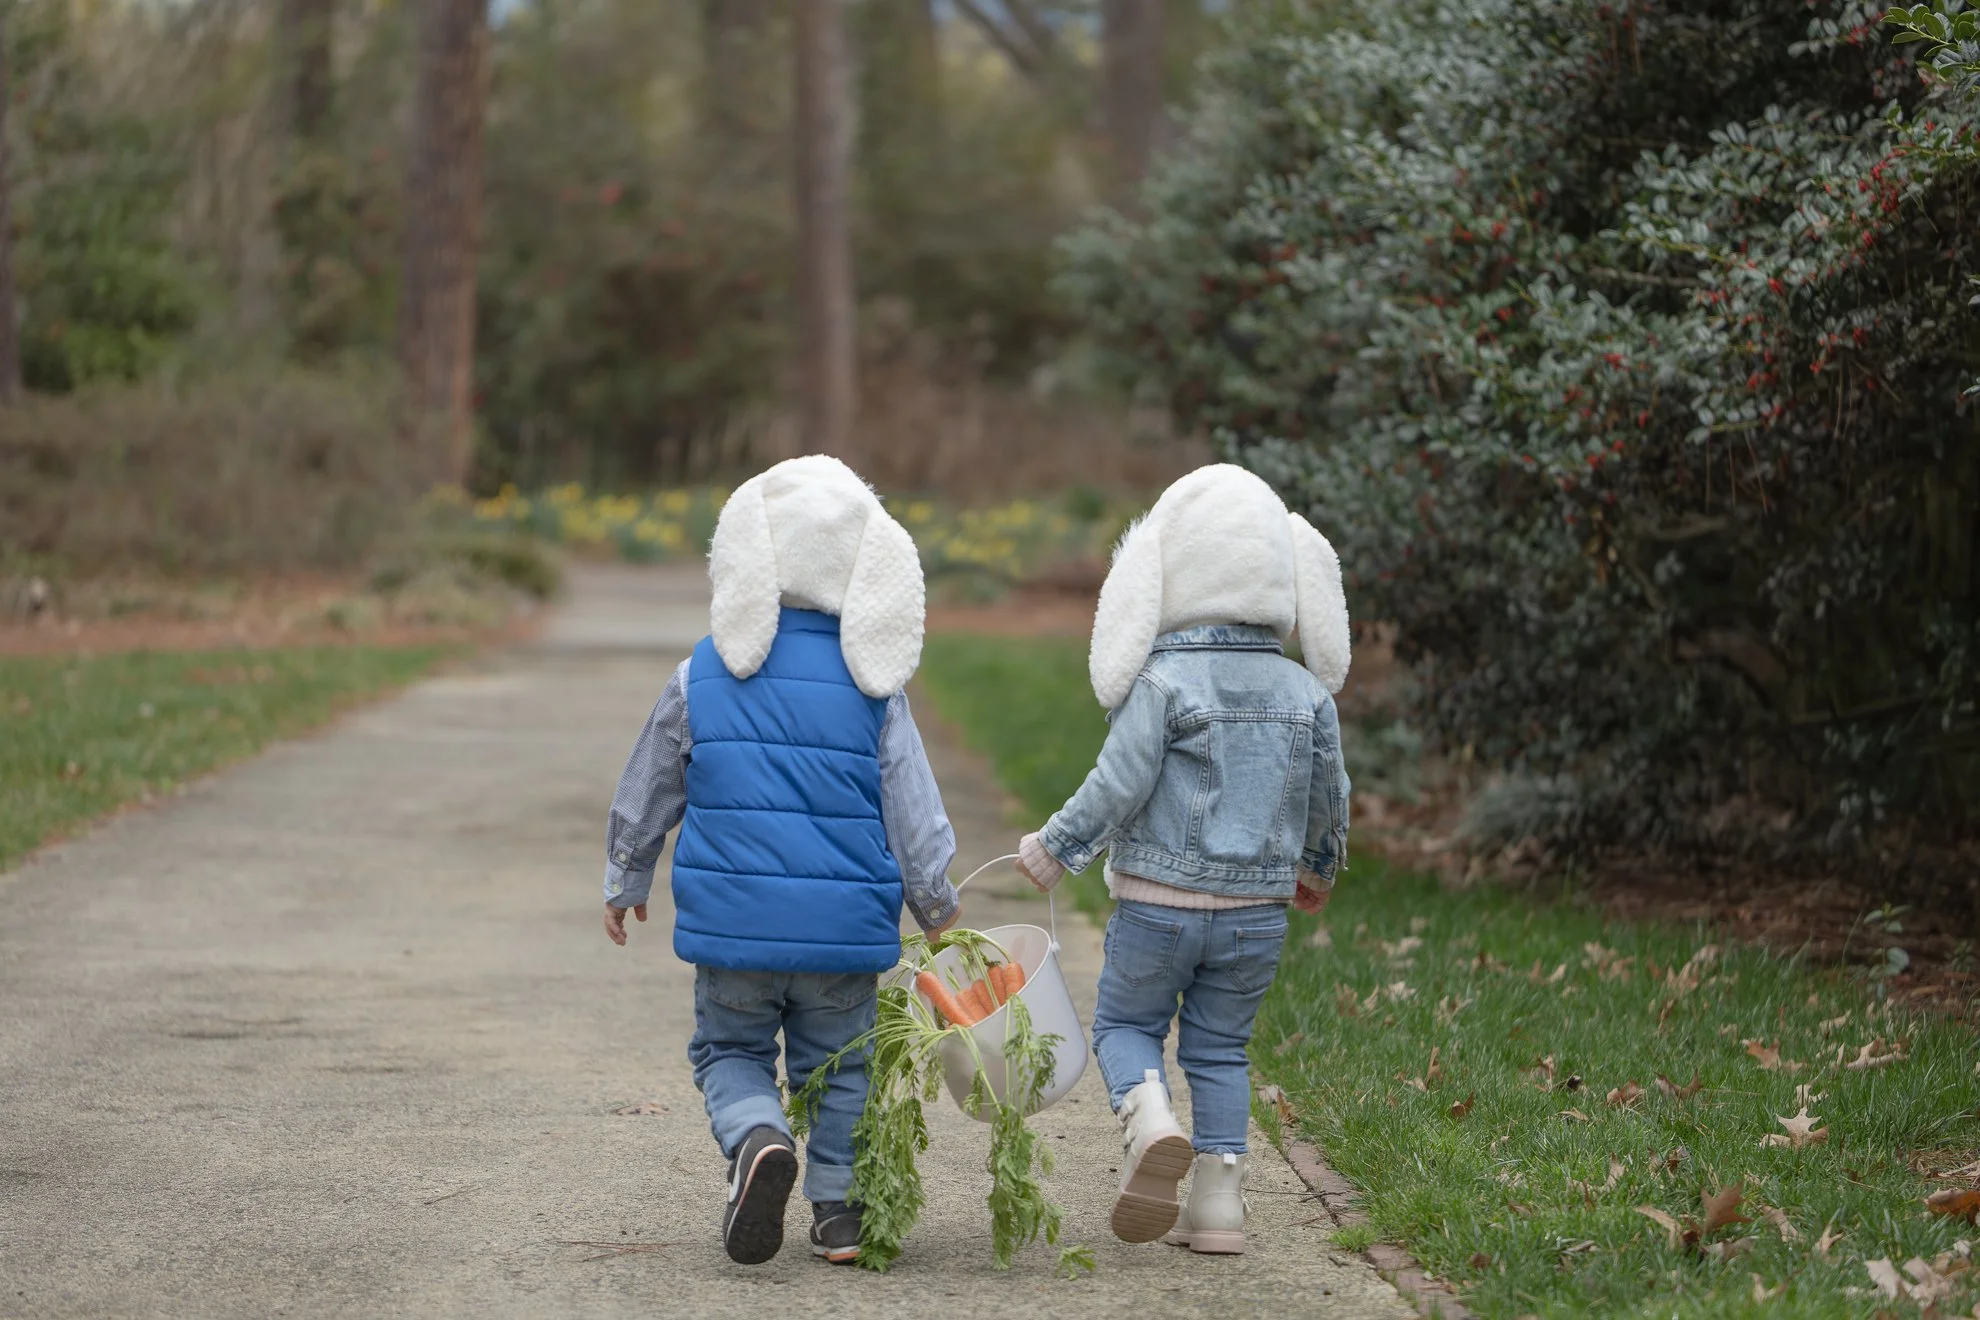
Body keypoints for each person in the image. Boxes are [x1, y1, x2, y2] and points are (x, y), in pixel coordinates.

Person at [601, 455, 961, 1266]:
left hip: (733, 932)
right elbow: (913, 809)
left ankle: (756, 1136)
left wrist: (627, 874)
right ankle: (838, 1213)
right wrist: (936, 904)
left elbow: (650, 783)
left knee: (729, 1051)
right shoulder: (875, 686)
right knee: (842, 1066)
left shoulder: (700, 675)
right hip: (841, 935)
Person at [1013, 464, 1352, 1256]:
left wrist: (1055, 846)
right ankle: (1219, 1211)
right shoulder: (1306, 693)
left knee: (1127, 1024)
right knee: (1221, 1050)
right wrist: (1318, 869)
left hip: (1158, 905)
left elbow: (1119, 783)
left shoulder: (1162, 680)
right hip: (1255, 917)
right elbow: (1329, 794)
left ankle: (1148, 1116)